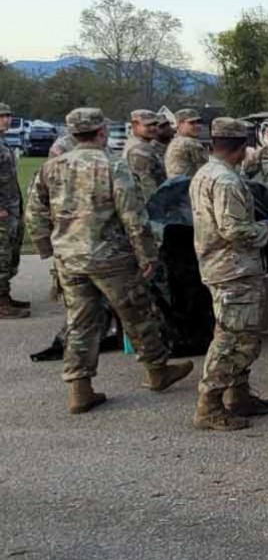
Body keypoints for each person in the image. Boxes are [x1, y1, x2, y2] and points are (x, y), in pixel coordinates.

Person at [25, 108, 194, 413]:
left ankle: (80, 388)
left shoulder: (51, 167)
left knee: (80, 321)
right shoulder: (112, 165)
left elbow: (35, 211)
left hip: (69, 258)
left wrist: (46, 247)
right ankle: (157, 371)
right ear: (101, 131)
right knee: (138, 314)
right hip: (110, 256)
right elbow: (133, 214)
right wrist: (147, 254)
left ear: (72, 134)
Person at [189, 118, 268, 431]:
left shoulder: (204, 173)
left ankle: (238, 395)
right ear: (240, 148)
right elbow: (234, 230)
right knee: (234, 339)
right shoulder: (226, 181)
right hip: (233, 269)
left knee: (240, 333)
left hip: (221, 266)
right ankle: (209, 405)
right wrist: (266, 229)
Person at [0, 102, 30, 319]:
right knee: (1, 255)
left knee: (10, 252)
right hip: (2, 211)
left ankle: (4, 296)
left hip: (11, 208)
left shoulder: (3, 142)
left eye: (8, 115)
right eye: (2, 116)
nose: (6, 119)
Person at [123, 109, 167, 204]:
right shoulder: (139, 150)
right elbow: (147, 187)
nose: (153, 128)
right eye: (148, 125)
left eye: (155, 124)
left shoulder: (146, 145)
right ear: (135, 126)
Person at [164, 108, 208, 178]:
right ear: (180, 124)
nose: (197, 125)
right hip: (187, 185)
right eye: (192, 123)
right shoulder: (190, 143)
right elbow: (206, 170)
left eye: (198, 122)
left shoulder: (174, 141)